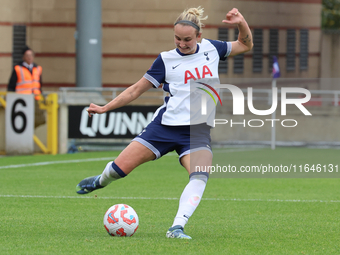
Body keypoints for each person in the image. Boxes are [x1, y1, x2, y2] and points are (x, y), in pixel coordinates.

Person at [76, 7, 253, 239]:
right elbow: (135, 90)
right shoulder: (165, 60)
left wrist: (241, 22)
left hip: (197, 131)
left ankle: (176, 227)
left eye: (187, 39)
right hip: (164, 128)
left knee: (200, 175)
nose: (181, 43)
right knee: (119, 170)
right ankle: (100, 180)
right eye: (177, 38)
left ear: (199, 36)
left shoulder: (213, 49)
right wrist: (104, 107)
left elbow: (246, 44)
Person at [8, 46, 45, 128]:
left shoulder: (37, 68)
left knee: (40, 119)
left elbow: (39, 84)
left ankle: (30, 133)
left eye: (31, 55)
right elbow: (11, 85)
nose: (29, 57)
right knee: (24, 121)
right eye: (27, 55)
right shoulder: (18, 68)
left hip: (35, 98)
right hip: (22, 99)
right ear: (23, 57)